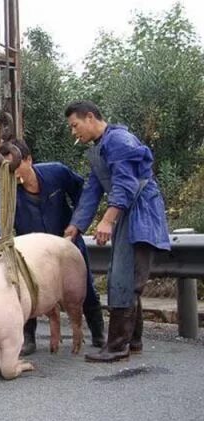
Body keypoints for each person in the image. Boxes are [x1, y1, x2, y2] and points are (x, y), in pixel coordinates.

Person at [63, 100, 170, 363]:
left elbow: (125, 183)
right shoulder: (100, 147)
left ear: (90, 117)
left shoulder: (119, 141)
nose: (73, 132)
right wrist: (76, 225)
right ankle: (133, 341)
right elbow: (92, 190)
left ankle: (117, 347)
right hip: (127, 214)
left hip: (140, 213)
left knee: (125, 279)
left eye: (75, 125)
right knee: (122, 277)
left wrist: (108, 220)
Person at [0, 140, 105, 355]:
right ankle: (28, 339)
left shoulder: (57, 172)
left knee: (84, 287)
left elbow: (84, 192)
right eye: (6, 170)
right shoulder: (6, 193)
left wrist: (77, 223)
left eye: (15, 167)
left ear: (28, 160)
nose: (13, 174)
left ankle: (99, 334)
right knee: (26, 291)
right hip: (34, 253)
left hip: (66, 242)